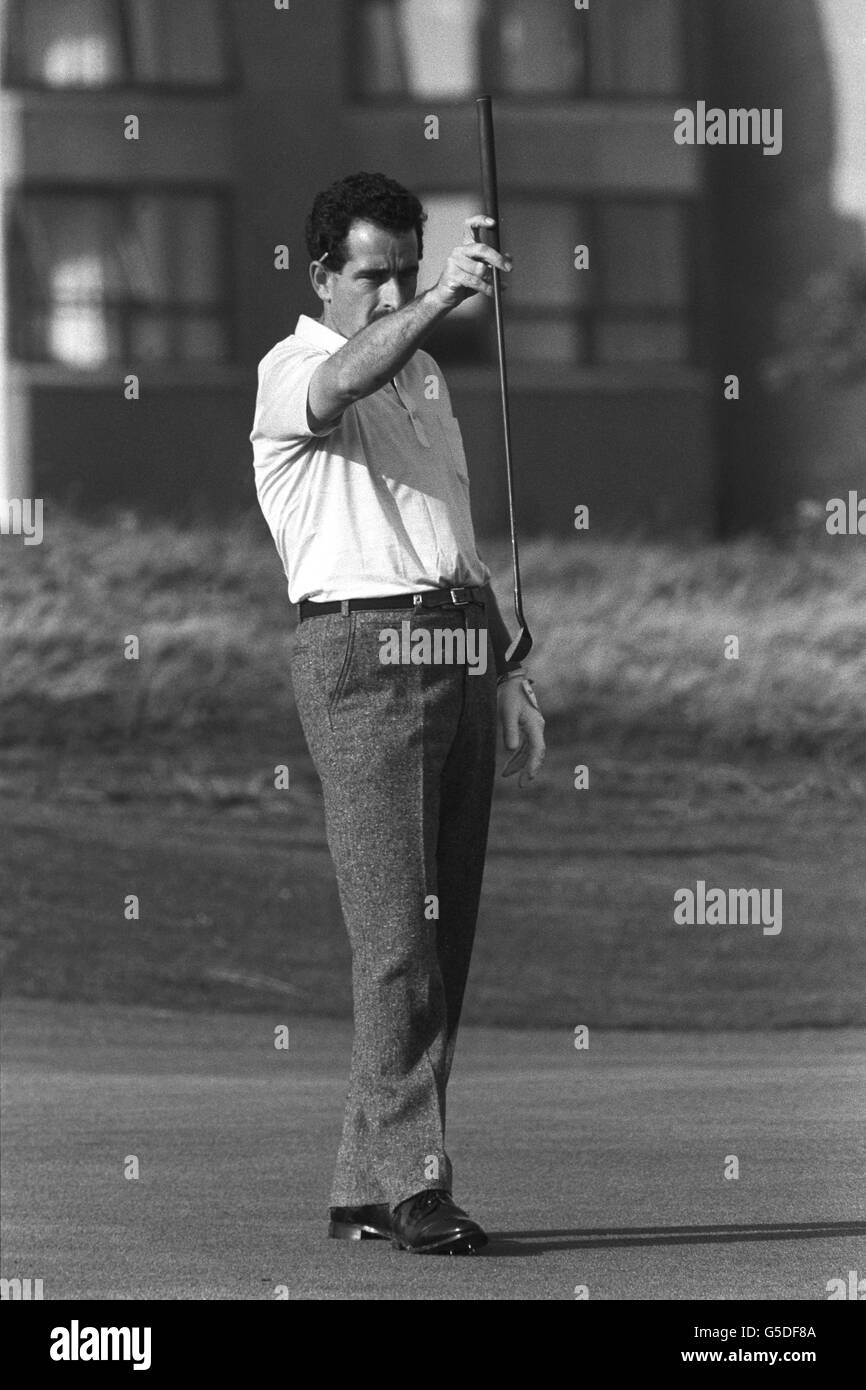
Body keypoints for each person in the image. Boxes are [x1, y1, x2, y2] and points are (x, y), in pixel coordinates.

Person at [250, 172, 546, 1255]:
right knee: (395, 940)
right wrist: (439, 301)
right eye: (370, 275)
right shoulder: (291, 368)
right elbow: (341, 379)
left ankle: (359, 1186)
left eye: (403, 275)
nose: (388, 294)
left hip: (456, 642)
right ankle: (415, 1183)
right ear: (320, 274)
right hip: (360, 655)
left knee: (440, 931)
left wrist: (506, 665)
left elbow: (449, 528)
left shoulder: (424, 378)